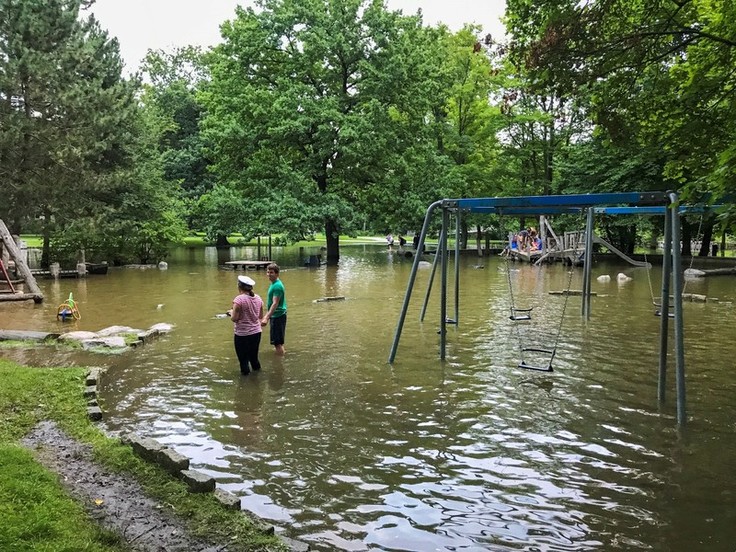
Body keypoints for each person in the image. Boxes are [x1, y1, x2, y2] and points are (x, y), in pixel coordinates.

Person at [229, 275, 264, 375]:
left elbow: (234, 318)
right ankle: (257, 379)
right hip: (256, 332)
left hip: (242, 334)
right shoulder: (258, 298)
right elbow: (260, 316)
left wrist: (231, 312)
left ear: (239, 286)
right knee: (254, 358)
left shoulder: (239, 300)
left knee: (243, 361)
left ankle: (245, 385)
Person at [261, 263, 287, 355]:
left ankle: (280, 364)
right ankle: (281, 355)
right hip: (278, 315)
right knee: (279, 342)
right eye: (268, 272)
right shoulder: (274, 283)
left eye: (271, 272)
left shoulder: (277, 286)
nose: (269, 274)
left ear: (277, 274)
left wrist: (266, 317)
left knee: (277, 343)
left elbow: (275, 303)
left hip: (277, 316)